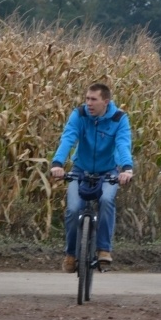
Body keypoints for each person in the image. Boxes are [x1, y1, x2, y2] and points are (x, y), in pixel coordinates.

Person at [50, 83, 134, 273]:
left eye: (93, 99)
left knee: (106, 200)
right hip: (81, 169)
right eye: (87, 98)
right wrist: (57, 163)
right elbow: (68, 138)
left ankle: (104, 249)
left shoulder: (118, 118)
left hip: (108, 171)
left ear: (106, 102)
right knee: (72, 209)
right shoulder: (79, 115)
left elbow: (123, 144)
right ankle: (71, 254)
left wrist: (127, 169)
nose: (88, 103)